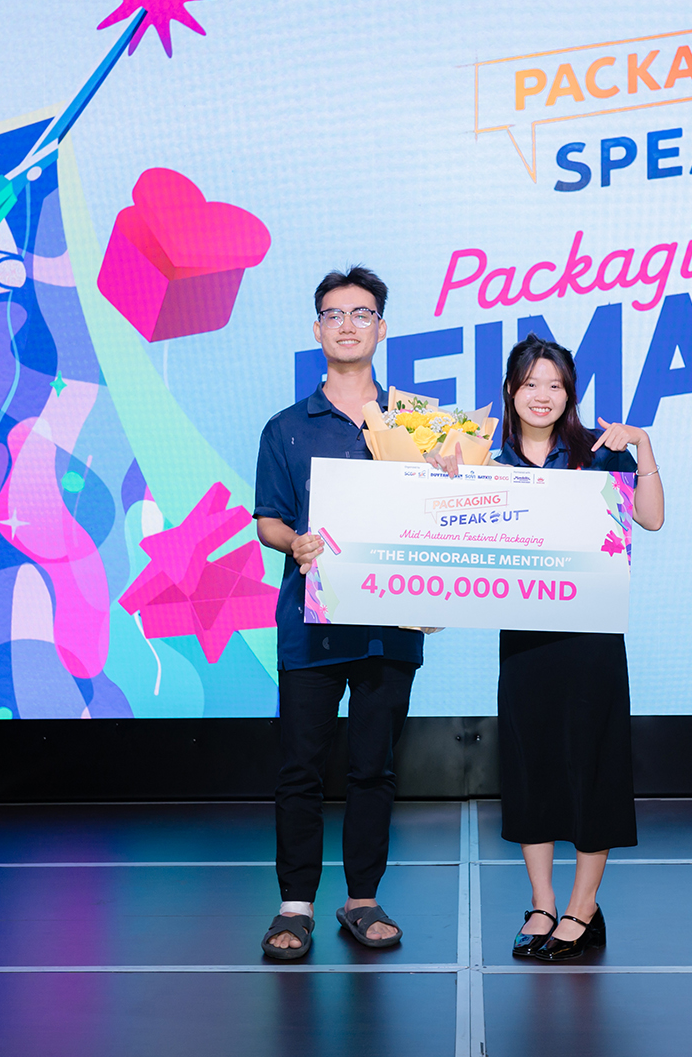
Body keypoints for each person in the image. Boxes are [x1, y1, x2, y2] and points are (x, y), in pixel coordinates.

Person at [252, 267, 422, 961]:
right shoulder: (287, 427)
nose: (348, 325)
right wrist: (294, 542)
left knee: (373, 769)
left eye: (362, 313)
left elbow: (440, 516)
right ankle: (294, 906)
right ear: (316, 329)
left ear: (382, 328)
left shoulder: (416, 423)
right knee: (301, 768)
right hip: (311, 625)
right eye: (334, 314)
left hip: (391, 626)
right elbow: (268, 519)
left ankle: (362, 900)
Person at [491, 336, 664, 962]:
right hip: (526, 642)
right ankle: (542, 902)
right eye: (531, 384)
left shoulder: (598, 453)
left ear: (570, 393)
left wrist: (644, 447)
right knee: (531, 768)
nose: (543, 396)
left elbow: (651, 518)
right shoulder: (491, 465)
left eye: (556, 385)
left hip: (592, 641)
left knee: (593, 768)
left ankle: (582, 908)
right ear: (511, 391)